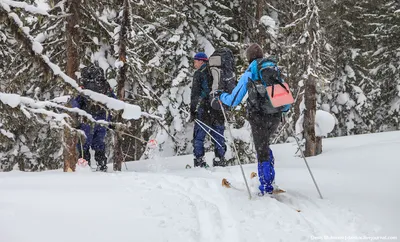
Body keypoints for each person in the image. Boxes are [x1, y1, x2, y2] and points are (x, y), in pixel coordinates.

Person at [216, 44, 290, 195]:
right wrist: (282, 109)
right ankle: (269, 180)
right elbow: (285, 99)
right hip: (275, 115)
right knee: (265, 145)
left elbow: (234, 99)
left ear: (249, 58)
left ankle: (266, 186)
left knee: (261, 148)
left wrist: (221, 96)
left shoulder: (251, 71)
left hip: (258, 116)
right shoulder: (273, 69)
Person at [71, 65, 116, 172]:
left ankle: (84, 167)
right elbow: (112, 102)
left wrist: (75, 120)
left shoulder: (83, 87)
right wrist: (110, 120)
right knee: (99, 143)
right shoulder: (105, 86)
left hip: (87, 119)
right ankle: (102, 165)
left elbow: (75, 103)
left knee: (84, 145)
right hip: (102, 119)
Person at [189, 52, 227, 168]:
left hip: (205, 109)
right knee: (218, 134)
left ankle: (199, 161)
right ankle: (219, 159)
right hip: (218, 108)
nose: (194, 63)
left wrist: (193, 111)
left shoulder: (199, 74)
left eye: (195, 61)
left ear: (201, 61)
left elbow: (195, 94)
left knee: (199, 136)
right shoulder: (217, 72)